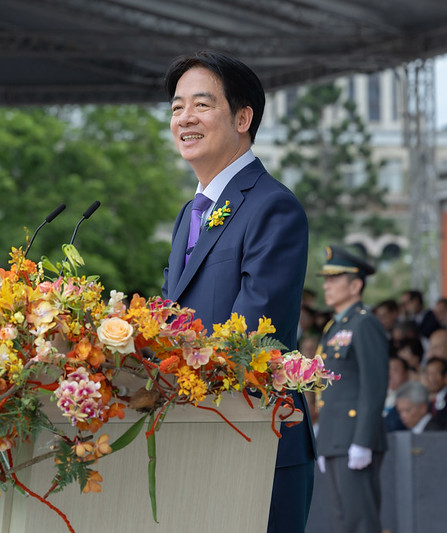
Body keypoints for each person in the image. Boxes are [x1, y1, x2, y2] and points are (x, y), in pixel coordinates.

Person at [160, 50, 313, 533]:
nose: (185, 117)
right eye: (177, 107)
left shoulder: (272, 206)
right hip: (197, 435)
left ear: (243, 119)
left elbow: (253, 335)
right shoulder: (191, 213)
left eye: (201, 104)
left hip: (256, 439)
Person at [315, 245, 389, 533]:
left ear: (356, 285)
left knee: (360, 522)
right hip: (335, 439)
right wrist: (324, 439)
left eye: (335, 279)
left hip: (354, 438)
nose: (327, 285)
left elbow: (374, 386)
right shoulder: (334, 327)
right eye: (326, 279)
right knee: (343, 522)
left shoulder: (364, 323)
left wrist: (363, 441)